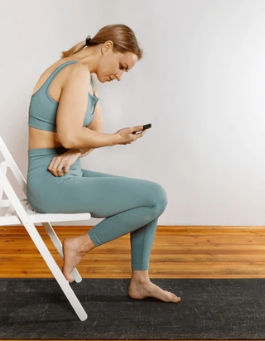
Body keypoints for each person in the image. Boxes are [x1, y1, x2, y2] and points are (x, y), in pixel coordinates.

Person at [27, 24, 180, 303]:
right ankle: (79, 246)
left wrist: (74, 152)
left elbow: (91, 135)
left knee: (146, 197)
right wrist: (116, 139)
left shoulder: (86, 77)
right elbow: (71, 134)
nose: (120, 76)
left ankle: (141, 282)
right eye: (122, 66)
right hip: (50, 182)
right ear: (107, 47)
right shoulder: (73, 71)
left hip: (65, 173)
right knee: (154, 196)